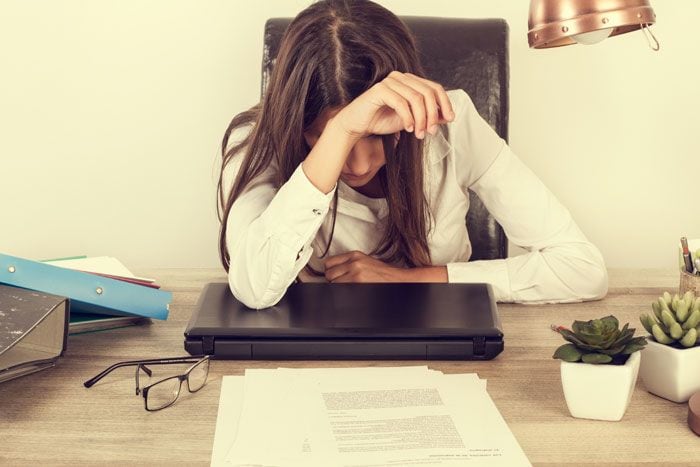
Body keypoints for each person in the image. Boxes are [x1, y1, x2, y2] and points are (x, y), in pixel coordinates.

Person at [217, 0, 608, 309]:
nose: (357, 165)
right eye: (323, 138)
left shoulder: (455, 125)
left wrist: (406, 279)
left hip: (445, 344)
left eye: (374, 136)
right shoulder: (258, 140)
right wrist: (343, 128)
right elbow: (253, 287)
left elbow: (581, 269)